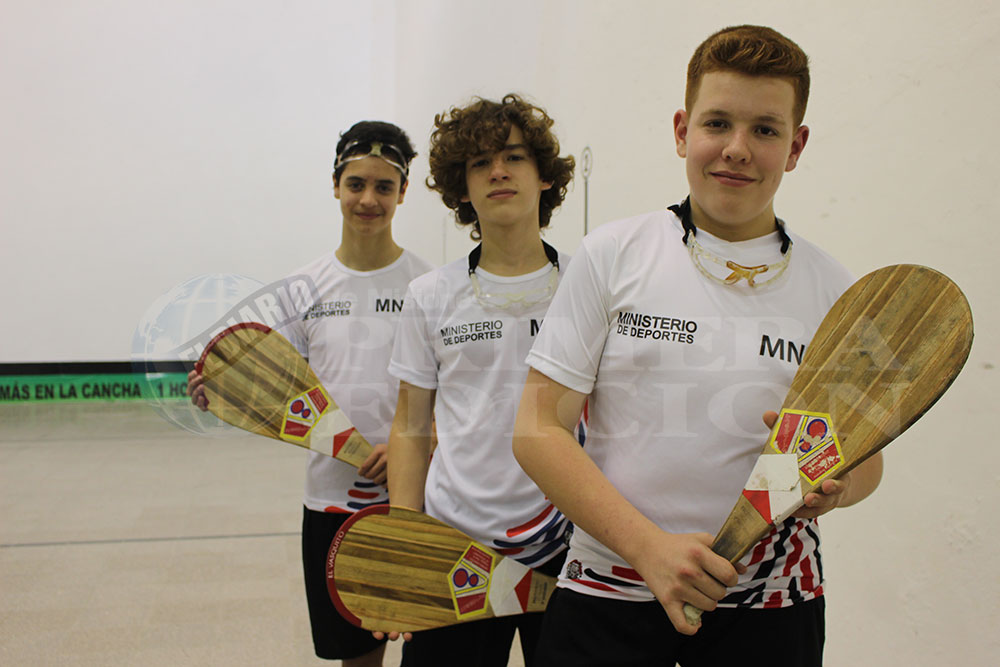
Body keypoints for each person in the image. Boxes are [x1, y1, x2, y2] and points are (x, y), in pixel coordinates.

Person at [512, 25, 884, 666]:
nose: (737, 149)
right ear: (683, 131)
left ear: (795, 146)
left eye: (765, 129)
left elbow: (867, 462)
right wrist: (648, 549)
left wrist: (838, 485)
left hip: (774, 602)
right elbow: (537, 429)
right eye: (718, 123)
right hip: (609, 592)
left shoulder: (835, 290)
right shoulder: (613, 254)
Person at [188, 120, 434, 667]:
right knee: (358, 656)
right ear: (335, 185)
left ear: (402, 192)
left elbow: (455, 393)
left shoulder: (429, 284)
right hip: (331, 503)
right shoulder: (303, 287)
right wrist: (223, 391)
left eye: (384, 186)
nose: (368, 200)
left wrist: (415, 448)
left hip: (421, 499)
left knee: (431, 651)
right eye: (356, 184)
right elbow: (278, 390)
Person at [381, 94, 575, 667]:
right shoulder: (430, 295)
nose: (498, 171)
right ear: (461, 188)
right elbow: (411, 426)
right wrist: (405, 543)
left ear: (544, 176)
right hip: (455, 546)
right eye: (479, 163)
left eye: (514, 157)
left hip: (569, 546)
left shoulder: (587, 288)